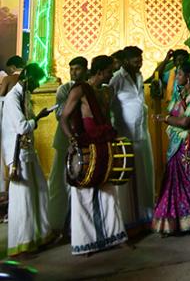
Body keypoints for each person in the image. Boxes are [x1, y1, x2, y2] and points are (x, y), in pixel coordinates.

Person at [60, 55, 127, 255]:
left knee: (109, 194)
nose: (111, 75)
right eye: (108, 72)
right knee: (84, 196)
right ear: (99, 72)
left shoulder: (103, 92)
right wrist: (73, 142)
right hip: (86, 147)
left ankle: (115, 237)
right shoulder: (80, 90)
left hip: (103, 146)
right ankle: (85, 244)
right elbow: (64, 118)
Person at [1, 63, 53, 256]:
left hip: (27, 153)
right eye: (36, 82)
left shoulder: (23, 96)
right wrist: (37, 119)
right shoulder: (13, 98)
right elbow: (22, 127)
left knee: (39, 193)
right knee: (22, 201)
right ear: (27, 79)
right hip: (18, 156)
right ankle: (21, 246)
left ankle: (38, 237)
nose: (37, 86)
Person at [153, 62, 190, 237]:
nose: (176, 77)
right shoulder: (180, 94)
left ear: (189, 77)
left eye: (179, 75)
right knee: (173, 183)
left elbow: (185, 121)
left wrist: (165, 118)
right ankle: (175, 224)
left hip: (188, 145)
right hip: (176, 145)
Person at [110, 45, 154, 230]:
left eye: (141, 60)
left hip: (142, 134)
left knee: (144, 174)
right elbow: (110, 106)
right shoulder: (116, 79)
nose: (140, 64)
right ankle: (128, 219)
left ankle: (146, 215)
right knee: (128, 180)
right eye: (136, 61)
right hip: (126, 136)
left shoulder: (139, 76)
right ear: (126, 61)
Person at [48, 56, 88, 234]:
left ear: (86, 70)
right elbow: (59, 114)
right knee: (59, 182)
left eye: (77, 69)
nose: (74, 72)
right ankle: (57, 224)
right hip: (64, 141)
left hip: (84, 140)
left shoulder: (89, 89)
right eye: (71, 69)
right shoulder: (64, 89)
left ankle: (77, 225)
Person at [0, 56, 25, 203]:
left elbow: (1, 94)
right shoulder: (25, 79)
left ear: (12, 67)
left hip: (5, 115)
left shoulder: (9, 78)